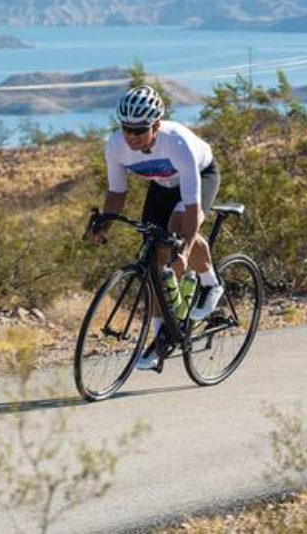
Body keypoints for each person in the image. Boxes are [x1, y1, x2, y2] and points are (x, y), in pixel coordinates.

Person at [86, 85, 223, 370]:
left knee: (175, 230)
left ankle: (211, 283)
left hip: (199, 176)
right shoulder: (115, 147)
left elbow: (191, 207)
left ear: (157, 125)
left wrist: (184, 252)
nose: (132, 136)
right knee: (153, 255)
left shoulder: (176, 142)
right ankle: (161, 335)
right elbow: (117, 193)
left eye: (140, 130)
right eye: (127, 128)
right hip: (162, 184)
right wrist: (104, 227)